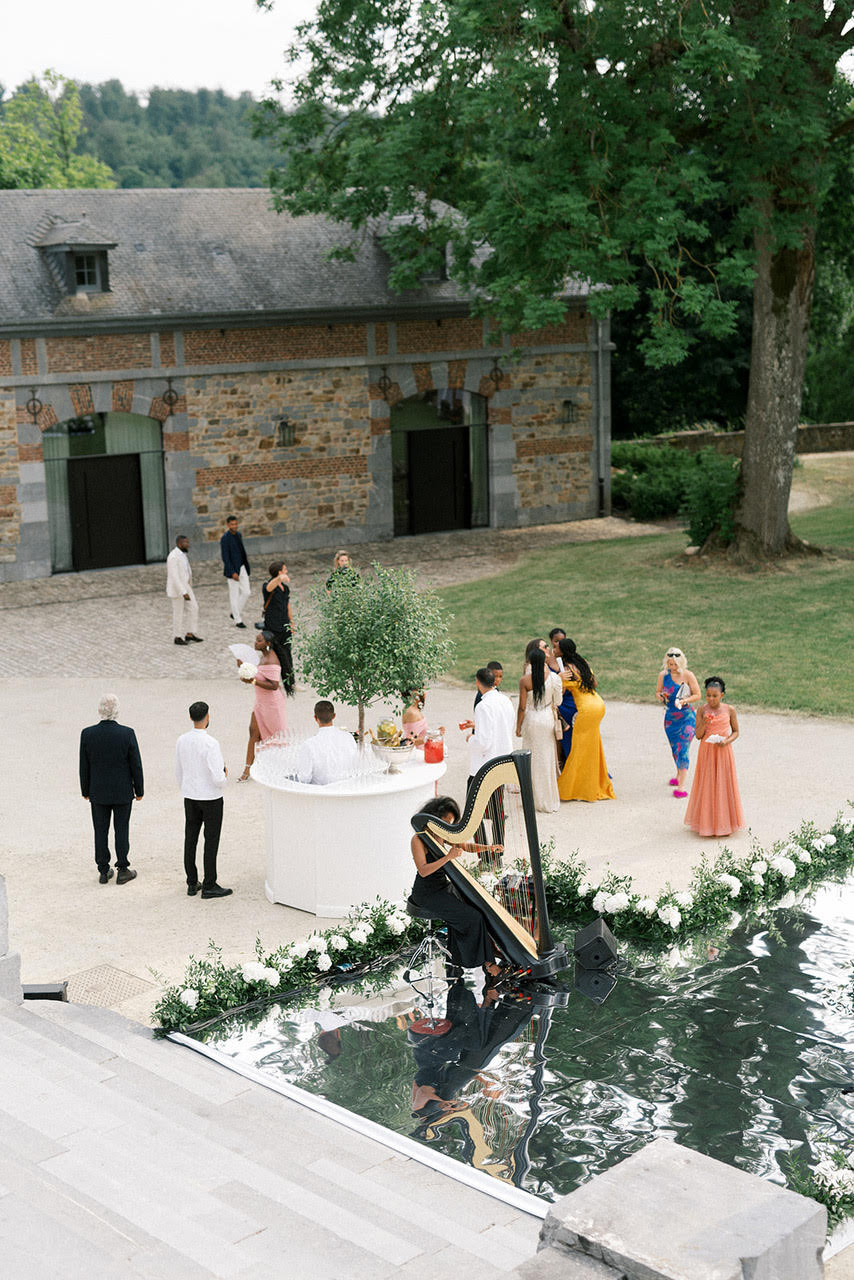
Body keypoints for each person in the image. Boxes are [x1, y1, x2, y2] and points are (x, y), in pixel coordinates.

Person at [409, 796, 502, 975]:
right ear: (433, 818)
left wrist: (488, 848)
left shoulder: (442, 834)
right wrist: (448, 857)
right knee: (472, 918)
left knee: (479, 907)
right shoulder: (418, 839)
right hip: (427, 894)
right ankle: (488, 963)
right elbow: (423, 871)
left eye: (450, 823)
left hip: (443, 887)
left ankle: (483, 952)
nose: (447, 826)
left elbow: (465, 846)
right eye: (445, 822)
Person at [79, 694, 143, 885]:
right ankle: (122, 868)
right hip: (122, 790)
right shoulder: (127, 733)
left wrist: (85, 790)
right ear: (117, 711)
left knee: (100, 830)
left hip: (98, 791)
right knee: (121, 829)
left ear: (99, 711)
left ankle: (103, 869)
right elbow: (135, 764)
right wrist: (139, 790)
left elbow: (84, 765)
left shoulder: (87, 734)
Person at [175, 701, 231, 898]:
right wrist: (224, 776)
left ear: (191, 717)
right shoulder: (211, 743)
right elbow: (218, 777)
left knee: (190, 838)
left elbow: (178, 770)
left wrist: (185, 787)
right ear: (207, 717)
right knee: (211, 840)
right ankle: (209, 883)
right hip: (210, 797)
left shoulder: (181, 740)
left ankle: (192, 881)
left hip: (190, 795)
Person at [684, 677, 744, 838]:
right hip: (707, 751)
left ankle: (725, 823)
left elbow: (736, 731)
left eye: (715, 696)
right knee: (708, 784)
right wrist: (704, 722)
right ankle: (707, 823)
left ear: (722, 695)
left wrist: (726, 741)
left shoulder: (729, 710)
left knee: (723, 784)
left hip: (723, 751)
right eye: (708, 695)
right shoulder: (702, 710)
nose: (711, 699)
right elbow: (698, 735)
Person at [557, 639, 615, 802]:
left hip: (586, 709)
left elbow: (560, 693)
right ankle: (593, 784)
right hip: (597, 703)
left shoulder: (566, 669)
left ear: (562, 651)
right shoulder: (583, 663)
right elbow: (594, 683)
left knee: (579, 749)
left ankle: (572, 789)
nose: (554, 650)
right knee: (592, 745)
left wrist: (560, 679)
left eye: (556, 648)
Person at [515, 645, 562, 812]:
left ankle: (533, 799)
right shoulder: (554, 678)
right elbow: (559, 701)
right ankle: (548, 799)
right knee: (547, 758)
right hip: (547, 718)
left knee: (532, 759)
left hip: (532, 720)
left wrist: (518, 727)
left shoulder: (525, 681)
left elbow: (522, 707)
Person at [238, 631, 288, 781]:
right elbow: (260, 676)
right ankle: (247, 769)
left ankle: (284, 768)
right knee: (253, 733)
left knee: (276, 736)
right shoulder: (264, 656)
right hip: (260, 702)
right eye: (256, 639)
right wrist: (244, 669)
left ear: (268, 643)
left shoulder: (272, 660)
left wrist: (252, 681)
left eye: (259, 640)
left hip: (272, 705)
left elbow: (274, 685)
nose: (255, 642)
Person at [656, 646, 701, 798]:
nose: (672, 667)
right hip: (670, 719)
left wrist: (684, 700)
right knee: (675, 749)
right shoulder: (663, 675)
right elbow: (658, 691)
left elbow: (697, 694)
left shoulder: (688, 675)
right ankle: (678, 774)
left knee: (683, 750)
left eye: (675, 664)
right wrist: (661, 696)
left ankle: (681, 787)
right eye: (670, 664)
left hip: (687, 718)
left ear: (681, 663)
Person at [295, 700, 359, 784]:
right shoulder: (348, 737)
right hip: (347, 787)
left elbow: (304, 778)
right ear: (334, 716)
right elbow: (355, 765)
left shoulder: (309, 744)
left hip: (320, 791)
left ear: (315, 718)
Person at [261, 560, 295, 695]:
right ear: (279, 572)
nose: (287, 571)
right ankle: (274, 680)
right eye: (284, 569)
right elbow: (269, 588)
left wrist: (291, 622)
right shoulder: (268, 585)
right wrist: (279, 578)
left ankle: (290, 683)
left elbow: (288, 606)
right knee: (275, 655)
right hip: (273, 627)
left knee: (287, 655)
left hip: (284, 626)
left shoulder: (285, 588)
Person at [165, 534, 202, 646]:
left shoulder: (183, 555)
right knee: (178, 613)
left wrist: (188, 587)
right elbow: (174, 576)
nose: (188, 544)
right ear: (179, 543)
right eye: (186, 543)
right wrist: (183, 592)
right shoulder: (173, 556)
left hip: (186, 586)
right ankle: (177, 637)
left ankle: (190, 633)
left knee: (194, 608)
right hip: (177, 589)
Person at [220, 515, 251, 628]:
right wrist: (232, 572)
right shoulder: (225, 538)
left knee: (247, 592)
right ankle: (238, 620)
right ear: (228, 525)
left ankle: (234, 613)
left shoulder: (238, 535)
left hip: (242, 567)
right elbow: (225, 557)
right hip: (232, 570)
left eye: (236, 524)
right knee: (234, 595)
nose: (235, 526)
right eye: (232, 524)